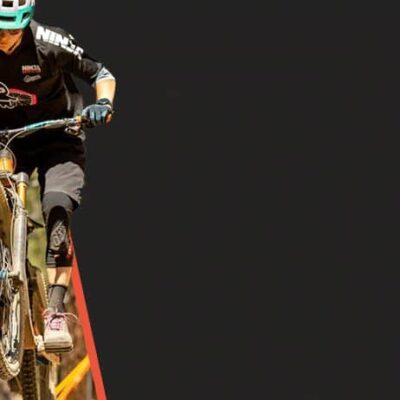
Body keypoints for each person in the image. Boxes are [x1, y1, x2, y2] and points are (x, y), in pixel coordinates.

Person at [0, 0, 116, 353]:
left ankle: (54, 310)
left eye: (10, 31)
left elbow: (101, 74)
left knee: (57, 207)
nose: (3, 37)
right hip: (8, 139)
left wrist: (103, 105)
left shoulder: (50, 43)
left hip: (58, 134)